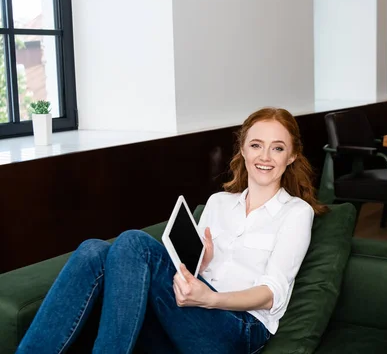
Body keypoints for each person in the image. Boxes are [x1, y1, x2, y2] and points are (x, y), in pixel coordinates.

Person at [17, 107, 328, 354]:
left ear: (291, 156)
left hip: (239, 329)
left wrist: (210, 299)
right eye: (256, 145)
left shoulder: (296, 213)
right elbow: (189, 269)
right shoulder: (219, 202)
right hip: (189, 311)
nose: (264, 156)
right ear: (243, 150)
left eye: (277, 148)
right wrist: (200, 265)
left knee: (133, 243)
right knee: (93, 250)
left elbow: (271, 293)